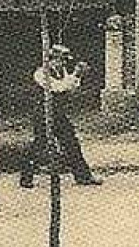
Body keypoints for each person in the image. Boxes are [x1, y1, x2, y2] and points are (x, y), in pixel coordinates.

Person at [20, 44, 101, 188]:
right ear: (52, 59)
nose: (64, 63)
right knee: (40, 144)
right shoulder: (41, 73)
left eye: (65, 60)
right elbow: (58, 88)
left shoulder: (61, 71)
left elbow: (70, 89)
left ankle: (83, 176)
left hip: (58, 113)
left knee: (71, 143)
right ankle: (26, 176)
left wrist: (78, 76)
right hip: (43, 113)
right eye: (62, 60)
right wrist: (75, 75)